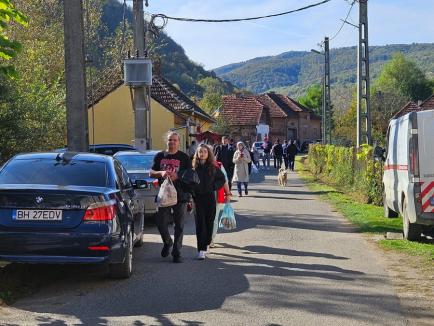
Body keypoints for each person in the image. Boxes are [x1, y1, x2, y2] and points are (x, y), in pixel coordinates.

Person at [150, 131, 192, 263]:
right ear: (166, 141)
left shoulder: (184, 157)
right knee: (160, 222)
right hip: (164, 195)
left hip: (181, 195)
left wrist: (178, 176)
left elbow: (190, 174)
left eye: (174, 140)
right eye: (170, 140)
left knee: (179, 225)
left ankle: (176, 252)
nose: (172, 142)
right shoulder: (159, 156)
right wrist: (161, 172)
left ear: (179, 142)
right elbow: (151, 173)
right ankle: (168, 242)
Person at [192, 144, 226, 260]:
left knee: (209, 222)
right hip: (198, 199)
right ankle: (201, 250)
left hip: (210, 198)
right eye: (200, 151)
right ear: (197, 153)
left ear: (208, 154)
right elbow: (187, 181)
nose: (202, 154)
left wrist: (214, 186)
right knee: (200, 224)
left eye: (205, 152)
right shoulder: (193, 168)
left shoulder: (212, 167)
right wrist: (191, 192)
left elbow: (222, 179)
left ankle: (206, 243)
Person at [210, 162, 231, 248]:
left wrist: (228, 194)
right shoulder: (197, 164)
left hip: (216, 195)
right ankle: (205, 239)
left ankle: (211, 239)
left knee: (214, 218)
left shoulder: (218, 165)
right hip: (202, 196)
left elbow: (224, 180)